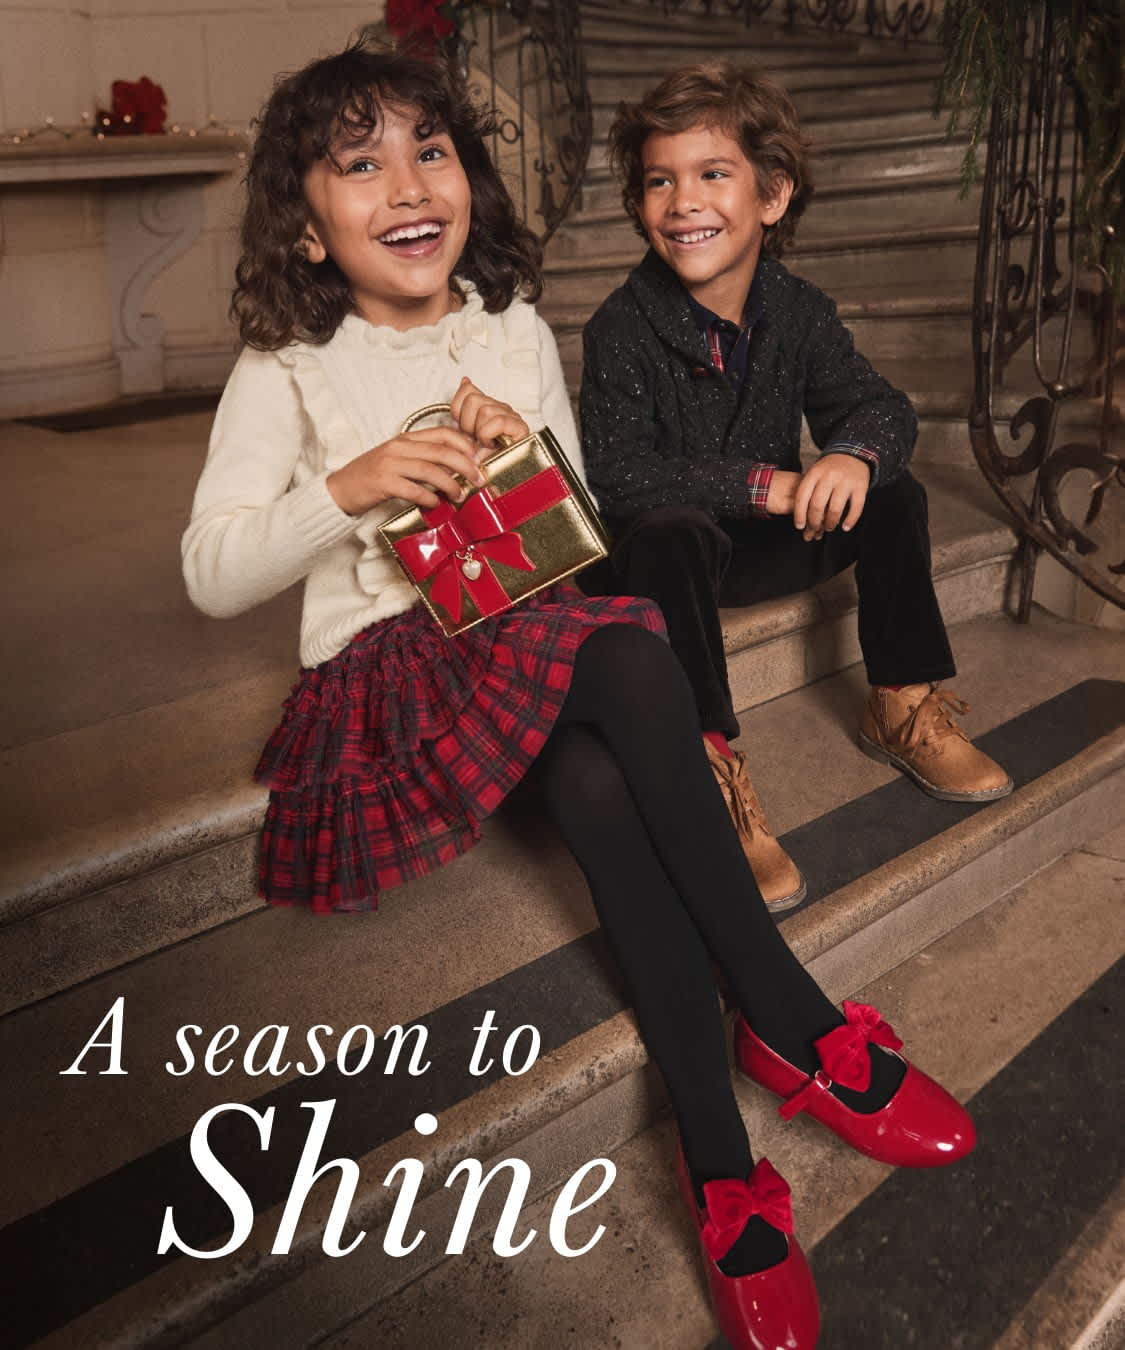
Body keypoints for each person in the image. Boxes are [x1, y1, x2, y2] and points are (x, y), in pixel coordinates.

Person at [182, 37, 974, 1350]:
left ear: (467, 181)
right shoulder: (287, 370)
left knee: (606, 777)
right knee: (627, 652)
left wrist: (519, 458)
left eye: (428, 149)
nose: (405, 182)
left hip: (522, 618)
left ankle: (721, 1174)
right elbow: (211, 572)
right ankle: (790, 1017)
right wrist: (357, 485)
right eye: (358, 165)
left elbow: (575, 541)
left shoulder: (507, 324)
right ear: (308, 230)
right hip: (398, 664)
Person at [581, 62, 1013, 913]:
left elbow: (878, 405)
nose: (682, 201)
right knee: (666, 530)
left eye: (712, 174)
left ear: (771, 197)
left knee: (891, 490)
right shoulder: (621, 326)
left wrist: (850, 454)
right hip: (675, 564)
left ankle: (900, 702)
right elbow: (618, 472)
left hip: (770, 548)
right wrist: (762, 485)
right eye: (659, 181)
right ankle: (704, 765)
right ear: (638, 205)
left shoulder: (799, 309)